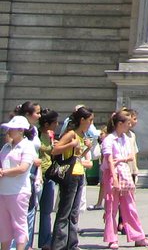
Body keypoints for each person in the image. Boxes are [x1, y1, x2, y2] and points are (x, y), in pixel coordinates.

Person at [101, 111, 148, 248]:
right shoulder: (109, 139)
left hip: (124, 172)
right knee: (111, 207)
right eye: (127, 123)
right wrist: (114, 179)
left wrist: (121, 159)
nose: (129, 125)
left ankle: (139, 237)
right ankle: (112, 238)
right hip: (112, 173)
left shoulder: (125, 137)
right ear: (120, 124)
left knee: (130, 206)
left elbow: (131, 156)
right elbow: (109, 160)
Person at [48, 105, 93, 250]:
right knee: (64, 212)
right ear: (82, 120)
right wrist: (72, 144)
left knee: (74, 213)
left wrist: (87, 148)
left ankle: (72, 244)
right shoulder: (71, 134)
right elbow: (55, 150)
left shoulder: (82, 135)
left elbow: (77, 156)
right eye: (90, 120)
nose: (91, 123)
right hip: (69, 175)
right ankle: (58, 245)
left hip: (79, 174)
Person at [0, 115, 37, 250]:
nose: (9, 131)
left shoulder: (27, 146)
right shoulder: (6, 147)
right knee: (4, 226)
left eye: (12, 129)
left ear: (21, 130)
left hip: (19, 191)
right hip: (3, 191)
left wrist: (4, 172)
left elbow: (23, 168)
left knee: (19, 225)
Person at [35, 110, 60, 250]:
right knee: (32, 210)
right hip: (37, 176)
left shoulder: (50, 135)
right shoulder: (36, 135)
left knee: (46, 211)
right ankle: (26, 243)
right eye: (54, 122)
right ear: (46, 124)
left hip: (49, 175)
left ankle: (45, 242)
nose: (57, 124)